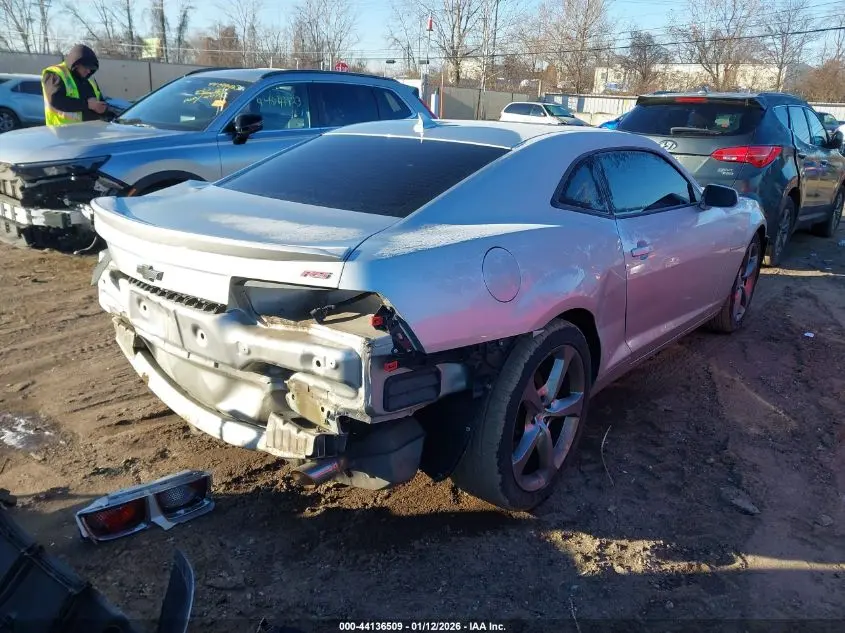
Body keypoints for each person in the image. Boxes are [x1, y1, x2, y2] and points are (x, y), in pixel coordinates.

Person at [41, 44, 107, 127]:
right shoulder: (56, 74)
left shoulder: (89, 80)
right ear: (76, 64)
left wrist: (103, 108)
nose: (88, 71)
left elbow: (100, 101)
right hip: (62, 133)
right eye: (86, 67)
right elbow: (56, 100)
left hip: (89, 132)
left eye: (91, 68)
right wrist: (88, 104)